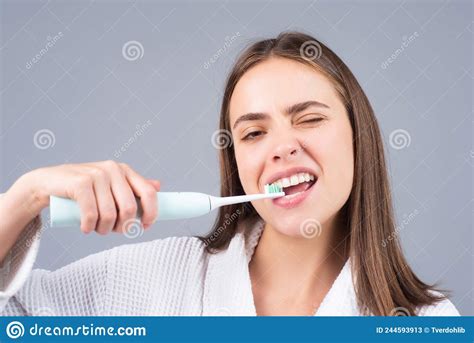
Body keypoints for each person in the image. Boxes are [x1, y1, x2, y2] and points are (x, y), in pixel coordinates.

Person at [0, 31, 459, 316]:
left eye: (310, 119)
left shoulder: (427, 323)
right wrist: (27, 196)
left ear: (361, 138)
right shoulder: (151, 280)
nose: (282, 147)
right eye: (254, 133)